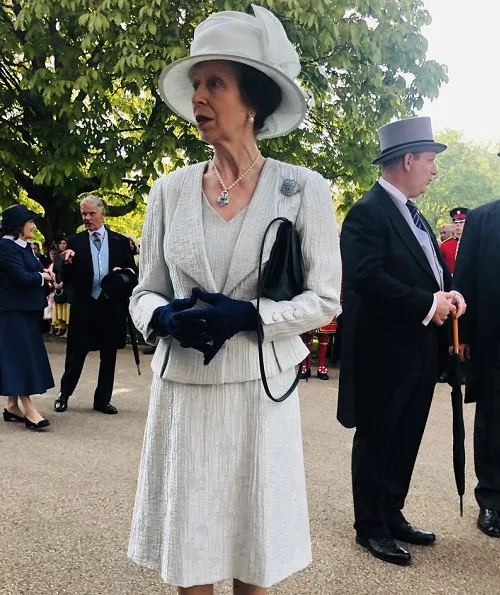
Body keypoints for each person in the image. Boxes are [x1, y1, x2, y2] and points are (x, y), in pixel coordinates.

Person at [127, 6, 341, 594]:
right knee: (192, 555)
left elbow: (325, 299)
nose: (199, 95)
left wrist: (251, 315)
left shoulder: (302, 189)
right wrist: (162, 316)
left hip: (258, 395)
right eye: (196, 83)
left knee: (256, 552)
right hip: (185, 396)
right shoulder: (168, 191)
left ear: (252, 101)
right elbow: (143, 291)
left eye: (214, 82)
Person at [337, 116, 466, 566]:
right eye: (429, 161)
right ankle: (369, 526)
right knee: (378, 436)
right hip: (383, 353)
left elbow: (427, 272)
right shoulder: (368, 212)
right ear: (408, 159)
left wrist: (449, 291)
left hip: (418, 352)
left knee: (406, 435)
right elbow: (367, 278)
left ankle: (391, 513)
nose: (434, 170)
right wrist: (430, 304)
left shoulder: (413, 214)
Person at [53, 196, 137, 415]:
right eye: (84, 214)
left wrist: (123, 276)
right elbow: (66, 276)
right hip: (85, 306)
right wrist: (66, 262)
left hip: (111, 307)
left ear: (103, 214)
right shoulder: (75, 242)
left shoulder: (120, 241)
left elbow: (133, 274)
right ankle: (64, 394)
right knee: (75, 354)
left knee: (109, 355)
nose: (87, 218)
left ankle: (102, 400)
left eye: (91, 214)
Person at [453, 201, 500, 538]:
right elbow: (464, 275)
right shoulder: (483, 218)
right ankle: (491, 501)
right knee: (493, 419)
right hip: (494, 337)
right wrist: (465, 334)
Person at [0, 204, 54, 430]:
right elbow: (21, 277)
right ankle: (28, 409)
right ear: (18, 226)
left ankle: (12, 406)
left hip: (25, 311)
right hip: (12, 312)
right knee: (21, 359)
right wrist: (43, 276)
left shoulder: (23, 247)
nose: (33, 225)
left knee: (22, 357)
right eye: (29, 222)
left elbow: (30, 272)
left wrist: (47, 275)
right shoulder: (5, 246)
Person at [440, 207, 469, 274]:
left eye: (461, 222)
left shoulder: (475, 243)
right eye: (455, 223)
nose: (458, 225)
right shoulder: (444, 246)